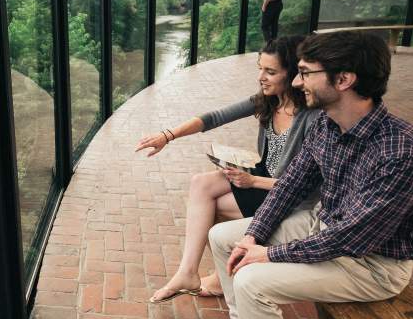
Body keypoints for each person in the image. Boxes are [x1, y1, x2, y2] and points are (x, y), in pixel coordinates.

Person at [200, 31, 413, 319]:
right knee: (223, 238)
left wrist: (269, 254)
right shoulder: (327, 125)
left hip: (372, 264)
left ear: (344, 79)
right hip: (322, 228)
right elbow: (291, 186)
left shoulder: (404, 154)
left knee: (252, 281)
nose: (298, 81)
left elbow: (352, 238)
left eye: (305, 72)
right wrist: (252, 235)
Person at [136, 35, 320, 302]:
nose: (261, 77)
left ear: (293, 74)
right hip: (262, 176)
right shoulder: (270, 101)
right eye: (260, 68)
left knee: (212, 207)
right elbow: (215, 117)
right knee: (201, 183)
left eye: (270, 71)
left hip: (287, 195)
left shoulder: (312, 117)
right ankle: (189, 271)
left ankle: (227, 273)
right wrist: (168, 135)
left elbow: (308, 186)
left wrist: (252, 182)